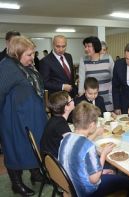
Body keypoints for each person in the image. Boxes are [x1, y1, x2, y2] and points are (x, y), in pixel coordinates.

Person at [0, 36, 47, 196]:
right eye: (28, 54)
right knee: (15, 149)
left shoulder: (26, 65)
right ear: (16, 53)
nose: (32, 57)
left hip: (31, 116)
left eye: (33, 53)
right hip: (14, 119)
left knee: (34, 146)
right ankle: (16, 182)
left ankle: (36, 174)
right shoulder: (7, 67)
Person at [58, 101, 129, 197]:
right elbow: (94, 179)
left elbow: (77, 163)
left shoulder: (66, 138)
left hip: (69, 186)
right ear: (92, 125)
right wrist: (103, 154)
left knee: (110, 170)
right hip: (85, 192)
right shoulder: (88, 146)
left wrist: (101, 171)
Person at [78, 36, 114, 111]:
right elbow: (82, 81)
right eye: (85, 46)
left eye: (88, 46)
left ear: (96, 46)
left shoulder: (108, 58)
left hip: (108, 99)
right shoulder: (83, 60)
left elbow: (115, 78)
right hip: (91, 100)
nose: (86, 49)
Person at [40, 91, 74, 158]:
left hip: (49, 157)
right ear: (66, 107)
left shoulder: (55, 119)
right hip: (55, 162)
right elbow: (74, 147)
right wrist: (95, 133)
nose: (73, 101)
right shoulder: (60, 125)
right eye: (71, 100)